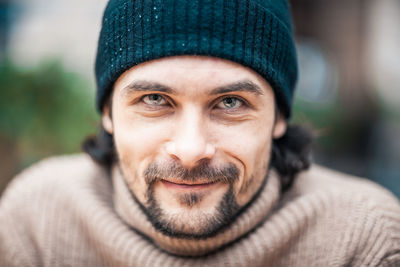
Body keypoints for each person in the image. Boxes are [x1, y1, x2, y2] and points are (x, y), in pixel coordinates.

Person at [1, 0, 399, 266]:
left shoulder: (363, 238)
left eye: (230, 103)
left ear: (279, 116)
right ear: (107, 111)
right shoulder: (37, 222)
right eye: (155, 99)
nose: (191, 150)